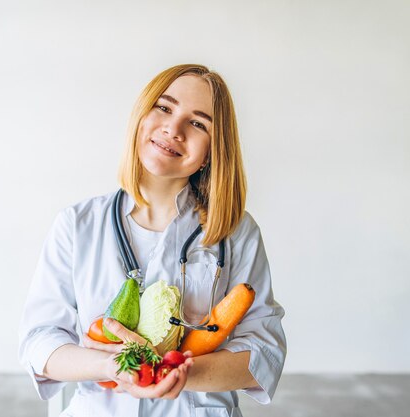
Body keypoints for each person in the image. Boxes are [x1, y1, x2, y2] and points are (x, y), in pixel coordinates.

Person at [18, 64, 287, 417]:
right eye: (164, 107)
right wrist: (112, 367)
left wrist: (173, 372)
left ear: (211, 151)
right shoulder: (77, 225)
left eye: (198, 123)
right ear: (141, 116)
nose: (173, 129)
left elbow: (263, 352)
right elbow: (41, 342)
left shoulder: (237, 232)